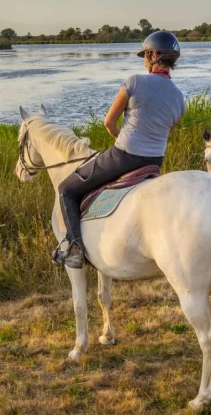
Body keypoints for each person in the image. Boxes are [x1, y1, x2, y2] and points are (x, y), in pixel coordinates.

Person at [55, 31, 186, 268]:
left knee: (66, 190)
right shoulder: (179, 97)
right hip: (155, 162)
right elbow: (167, 130)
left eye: (145, 56)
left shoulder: (135, 82)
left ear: (154, 55)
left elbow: (108, 123)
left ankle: (74, 249)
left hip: (124, 157)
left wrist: (121, 138)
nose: (144, 61)